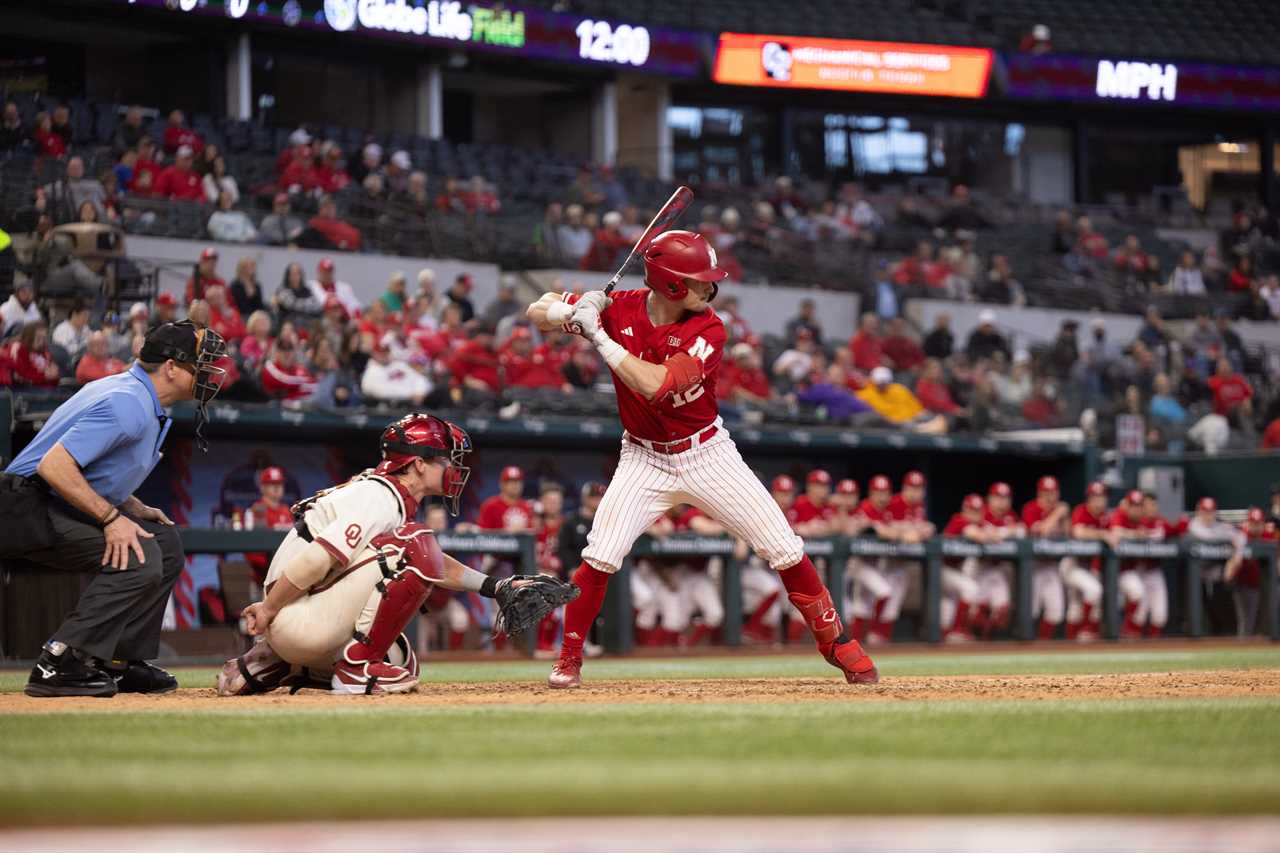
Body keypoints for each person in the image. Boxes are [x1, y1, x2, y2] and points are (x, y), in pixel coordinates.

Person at [527, 229, 878, 687]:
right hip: (643, 458)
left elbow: (654, 384)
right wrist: (571, 310)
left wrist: (599, 337)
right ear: (669, 283)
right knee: (600, 555)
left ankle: (837, 644)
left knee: (784, 547)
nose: (709, 288)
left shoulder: (709, 326)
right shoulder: (624, 308)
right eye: (698, 280)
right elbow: (536, 310)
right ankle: (569, 657)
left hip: (706, 454)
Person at [217, 414, 569, 695]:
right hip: (293, 610)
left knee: (402, 661)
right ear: (418, 464)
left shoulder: (390, 496)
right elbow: (316, 560)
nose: (454, 468)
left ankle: (280, 665)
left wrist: (494, 586)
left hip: (302, 610)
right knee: (412, 545)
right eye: (446, 459)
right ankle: (354, 669)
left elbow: (430, 559)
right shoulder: (380, 496)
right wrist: (269, 609)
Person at [3, 322, 226, 697]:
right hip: (24, 509)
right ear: (171, 367)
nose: (208, 374)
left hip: (48, 502)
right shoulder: (129, 402)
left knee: (164, 542)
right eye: (199, 365)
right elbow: (54, 467)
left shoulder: (136, 394)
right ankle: (61, 660)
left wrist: (130, 505)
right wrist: (111, 519)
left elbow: (91, 468)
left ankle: (118, 661)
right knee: (140, 557)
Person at [1020, 476, 1070, 639]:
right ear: (1039, 494)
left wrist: (1064, 518)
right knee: (1031, 610)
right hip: (1032, 565)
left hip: (1052, 565)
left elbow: (1069, 535)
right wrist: (1058, 513)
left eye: (1053, 492)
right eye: (1046, 493)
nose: (1050, 497)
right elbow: (1041, 531)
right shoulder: (1031, 508)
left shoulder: (1059, 512)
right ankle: (1025, 642)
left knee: (1056, 612)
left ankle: (1042, 645)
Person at [939, 494, 989, 643]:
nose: (975, 515)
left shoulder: (980, 523)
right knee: (970, 588)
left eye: (978, 511)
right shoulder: (959, 520)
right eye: (971, 510)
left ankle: (949, 637)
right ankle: (957, 631)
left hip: (955, 571)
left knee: (947, 614)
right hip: (941, 569)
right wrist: (991, 534)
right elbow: (978, 535)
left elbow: (993, 531)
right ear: (964, 510)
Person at [243, 466, 296, 585]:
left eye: (279, 483)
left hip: (286, 576)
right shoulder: (257, 510)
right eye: (271, 484)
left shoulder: (287, 511)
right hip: (262, 577)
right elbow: (252, 550)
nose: (277, 487)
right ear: (262, 487)